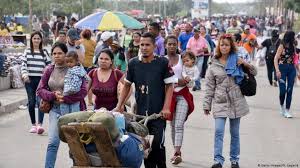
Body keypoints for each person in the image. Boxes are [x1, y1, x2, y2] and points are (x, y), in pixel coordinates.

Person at [114, 32, 174, 168]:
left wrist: (166, 107)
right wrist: (119, 105)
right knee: (145, 146)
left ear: (154, 46)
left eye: (147, 45)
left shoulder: (163, 62)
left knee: (157, 144)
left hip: (158, 114)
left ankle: (161, 164)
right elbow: (127, 85)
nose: (144, 47)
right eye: (142, 44)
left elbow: (170, 85)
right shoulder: (133, 63)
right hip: (140, 115)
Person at [203, 34, 255, 168]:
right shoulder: (213, 63)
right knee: (219, 131)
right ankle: (218, 160)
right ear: (219, 47)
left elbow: (254, 72)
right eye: (221, 44)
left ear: (231, 46)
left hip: (236, 101)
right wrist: (206, 104)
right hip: (220, 101)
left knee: (235, 133)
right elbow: (209, 87)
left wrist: (244, 63)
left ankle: (234, 160)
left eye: (226, 44)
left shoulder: (237, 60)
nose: (224, 47)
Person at [36, 42, 87, 168]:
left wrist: (65, 97)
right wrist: (53, 96)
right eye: (54, 54)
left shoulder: (76, 69)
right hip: (55, 110)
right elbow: (40, 90)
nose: (57, 56)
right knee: (53, 143)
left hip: (73, 110)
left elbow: (83, 91)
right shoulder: (49, 70)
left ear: (66, 54)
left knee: (75, 144)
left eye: (60, 53)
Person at [165, 35, 195, 165]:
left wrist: (187, 80)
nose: (171, 46)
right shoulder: (161, 60)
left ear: (177, 45)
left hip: (183, 95)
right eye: (169, 44)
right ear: (165, 45)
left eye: (174, 44)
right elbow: (162, 80)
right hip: (168, 97)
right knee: (172, 125)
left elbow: (190, 78)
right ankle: (175, 152)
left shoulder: (183, 59)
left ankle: (177, 152)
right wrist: (177, 81)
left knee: (179, 124)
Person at [21, 31, 51, 134]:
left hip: (41, 81)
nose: (36, 40)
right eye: (34, 38)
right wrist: (24, 75)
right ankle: (33, 125)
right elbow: (23, 64)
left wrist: (46, 74)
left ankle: (40, 125)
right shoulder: (27, 51)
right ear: (31, 40)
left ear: (41, 40)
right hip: (29, 80)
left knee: (40, 102)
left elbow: (49, 66)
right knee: (31, 102)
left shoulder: (44, 52)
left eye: (38, 38)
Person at [274, 31, 300, 118]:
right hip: (282, 69)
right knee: (282, 91)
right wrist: (277, 70)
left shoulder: (293, 46)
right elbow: (276, 58)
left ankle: (287, 110)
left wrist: (298, 71)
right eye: (294, 36)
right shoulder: (282, 46)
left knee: (289, 90)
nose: (295, 38)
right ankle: (282, 106)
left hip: (291, 69)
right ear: (290, 36)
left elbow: (295, 60)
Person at [60, 51, 87, 115]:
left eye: (71, 62)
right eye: (67, 62)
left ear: (76, 61)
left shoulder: (77, 70)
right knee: (70, 115)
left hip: (73, 93)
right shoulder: (71, 69)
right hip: (68, 94)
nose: (69, 64)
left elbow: (86, 78)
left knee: (74, 115)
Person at [186, 26, 208, 91]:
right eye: (195, 31)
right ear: (193, 32)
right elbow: (187, 48)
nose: (196, 33)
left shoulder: (203, 39)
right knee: (194, 71)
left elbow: (206, 49)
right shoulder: (190, 39)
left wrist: (201, 50)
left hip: (200, 57)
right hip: (193, 57)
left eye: (197, 31)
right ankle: (198, 85)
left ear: (199, 32)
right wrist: (189, 53)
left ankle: (196, 85)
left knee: (198, 70)